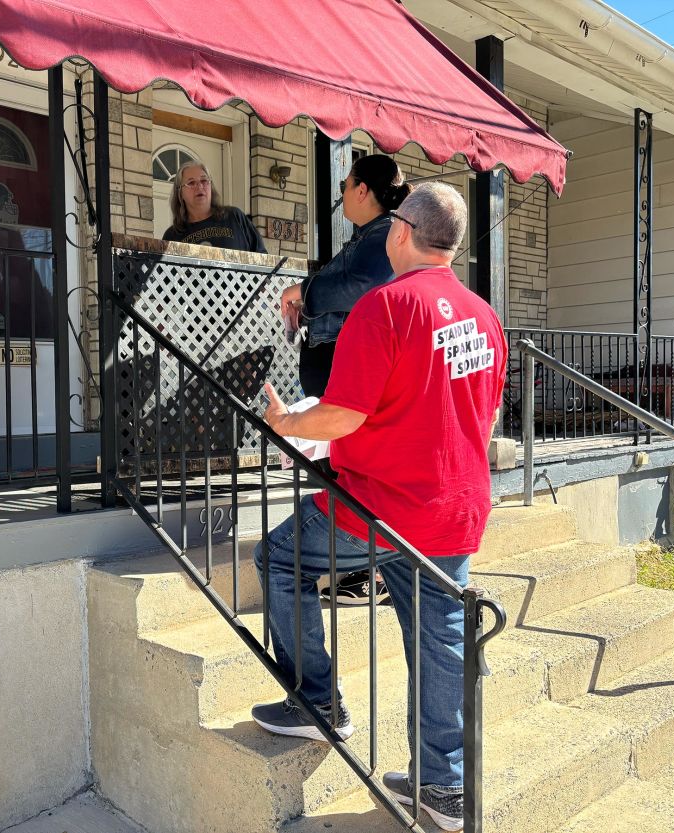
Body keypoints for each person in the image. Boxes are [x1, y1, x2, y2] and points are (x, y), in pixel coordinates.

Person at [251, 183, 506, 833]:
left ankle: (318, 701)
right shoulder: (485, 316)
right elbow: (482, 411)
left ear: (400, 230)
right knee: (439, 639)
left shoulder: (384, 307)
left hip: (379, 507)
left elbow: (345, 414)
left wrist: (285, 421)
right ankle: (442, 786)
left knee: (279, 559)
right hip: (455, 507)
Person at [281, 154, 411, 605]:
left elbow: (364, 288)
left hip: (346, 365)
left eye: (345, 184)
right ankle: (368, 569)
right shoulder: (369, 236)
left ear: (361, 190)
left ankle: (367, 572)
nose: (340, 193)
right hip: (334, 361)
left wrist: (307, 291)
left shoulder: (383, 238)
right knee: (339, 465)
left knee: (350, 467)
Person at [161, 162, 268, 253]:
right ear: (180, 193)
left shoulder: (234, 217)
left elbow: (263, 259)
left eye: (204, 180)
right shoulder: (172, 236)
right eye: (191, 182)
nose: (199, 186)